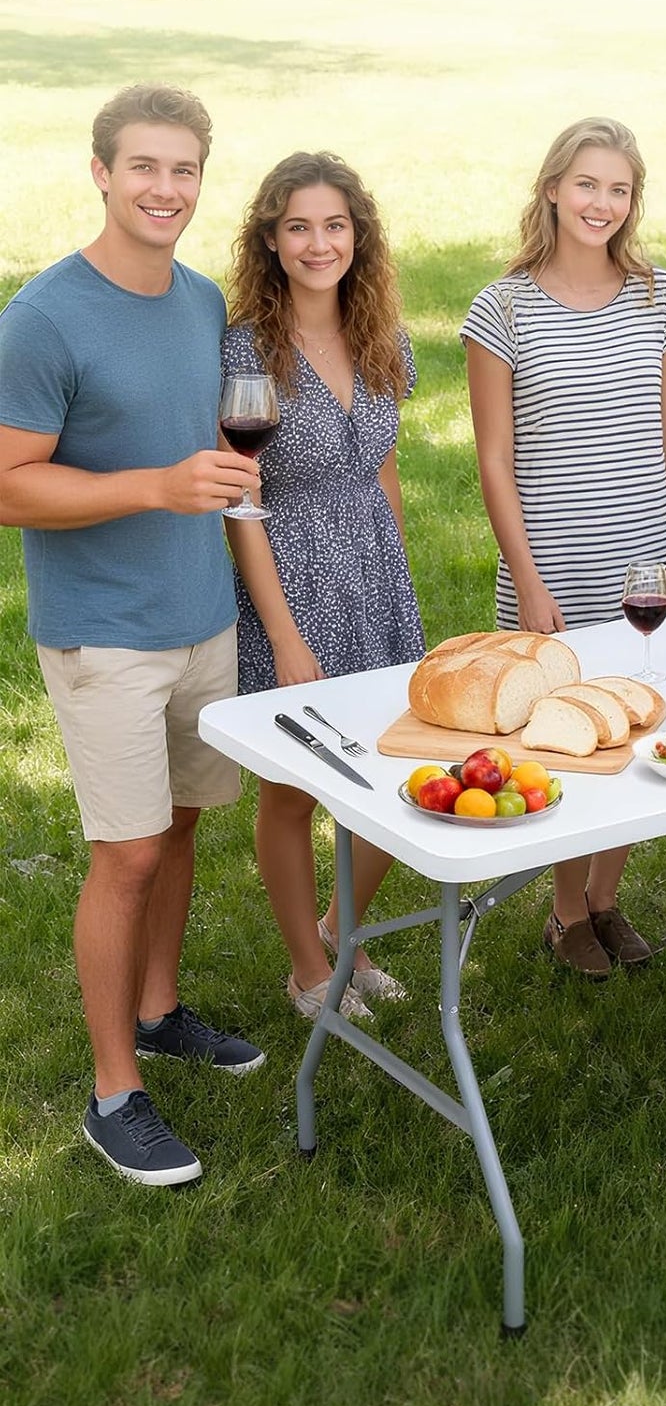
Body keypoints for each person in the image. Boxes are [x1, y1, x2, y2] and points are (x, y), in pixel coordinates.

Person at [0, 85, 266, 1187]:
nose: (166, 189)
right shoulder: (43, 317)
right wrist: (155, 485)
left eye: (184, 169)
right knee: (128, 852)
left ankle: (159, 1011)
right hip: (103, 632)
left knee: (183, 822)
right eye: (144, 167)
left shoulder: (201, 300)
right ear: (101, 172)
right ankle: (115, 1093)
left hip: (201, 614)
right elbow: (8, 484)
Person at [462, 117, 666, 978]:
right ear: (553, 189)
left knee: (631, 725)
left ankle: (603, 895)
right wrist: (527, 579)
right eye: (587, 184)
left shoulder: (658, 295)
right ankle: (564, 911)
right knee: (565, 738)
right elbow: (494, 459)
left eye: (619, 189)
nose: (602, 203)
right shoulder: (502, 308)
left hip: (643, 562)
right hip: (553, 567)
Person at [225, 151, 424, 1021]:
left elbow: (381, 467)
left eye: (334, 225)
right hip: (290, 577)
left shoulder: (384, 339)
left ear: (358, 235)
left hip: (375, 577)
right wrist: (282, 634)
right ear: (270, 240)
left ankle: (343, 934)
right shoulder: (245, 350)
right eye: (298, 226)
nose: (318, 244)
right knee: (295, 786)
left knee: (390, 766)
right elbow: (240, 500)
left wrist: (397, 580)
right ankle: (309, 970)